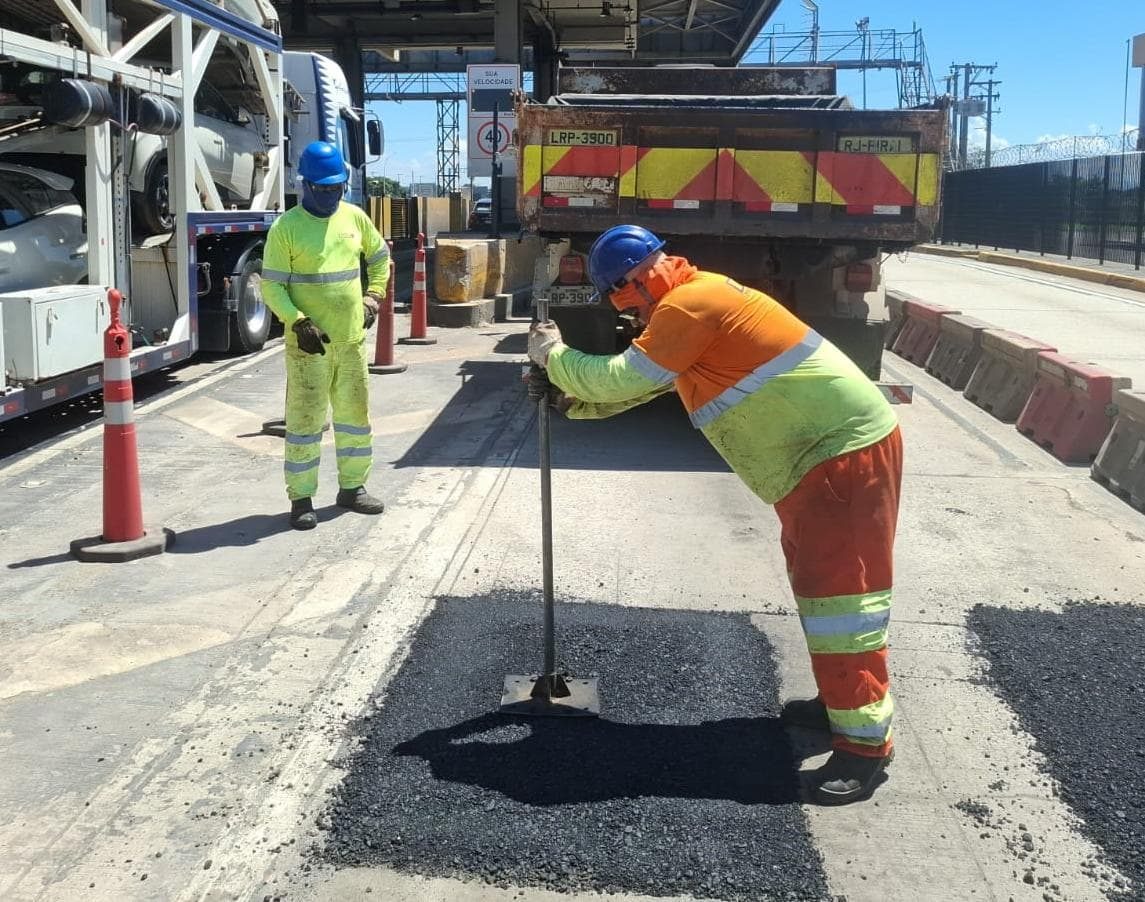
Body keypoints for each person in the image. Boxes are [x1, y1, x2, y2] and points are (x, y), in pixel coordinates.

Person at [527, 224, 902, 805]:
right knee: (821, 589)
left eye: (623, 293)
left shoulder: (692, 303)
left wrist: (554, 357)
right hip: (817, 462)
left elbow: (624, 377)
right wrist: (572, 404)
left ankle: (864, 747)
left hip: (840, 457)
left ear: (645, 272)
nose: (623, 307)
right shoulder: (692, 304)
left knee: (843, 603)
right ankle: (841, 701)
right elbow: (654, 385)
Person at [261, 141, 389, 530]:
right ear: (306, 185)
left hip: (350, 342)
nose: (332, 195)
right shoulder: (287, 228)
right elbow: (272, 287)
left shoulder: (354, 218)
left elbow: (380, 257)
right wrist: (297, 321)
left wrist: (373, 297)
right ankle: (301, 498)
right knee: (304, 422)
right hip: (308, 348)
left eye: (337, 188)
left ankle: (353, 488)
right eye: (324, 189)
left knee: (355, 418)